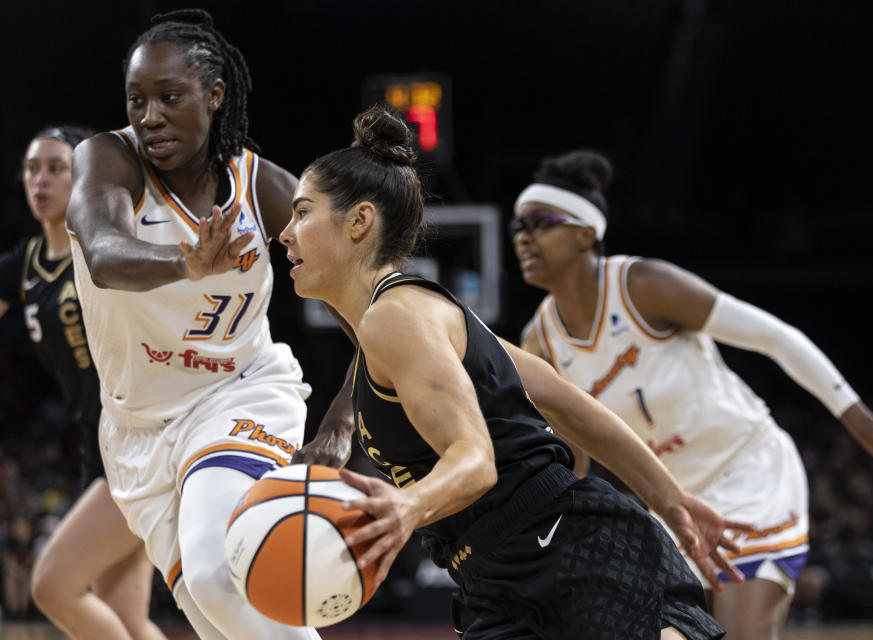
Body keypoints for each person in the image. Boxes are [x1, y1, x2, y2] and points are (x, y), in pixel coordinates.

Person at [280, 105, 763, 640]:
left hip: (569, 546)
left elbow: (476, 460)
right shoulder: (419, 320)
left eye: (302, 212)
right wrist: (670, 499)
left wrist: (406, 504)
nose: (286, 233)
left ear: (359, 221)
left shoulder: (395, 316)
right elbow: (561, 397)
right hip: (491, 578)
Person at [509, 149, 873, 639]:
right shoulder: (541, 341)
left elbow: (775, 337)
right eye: (517, 227)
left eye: (539, 222)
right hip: (674, 501)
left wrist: (862, 422)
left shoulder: (642, 286)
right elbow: (576, 455)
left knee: (742, 634)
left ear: (585, 232)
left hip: (750, 472)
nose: (523, 236)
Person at [66, 10, 350, 640]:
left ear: (215, 96)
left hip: (236, 393)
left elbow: (372, 309)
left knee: (222, 575)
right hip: (135, 430)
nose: (150, 116)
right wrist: (186, 263)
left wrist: (342, 418)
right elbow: (104, 256)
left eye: (171, 97)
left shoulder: (270, 191)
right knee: (215, 609)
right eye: (137, 100)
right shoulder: (108, 160)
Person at [0, 125, 166, 640]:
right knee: (127, 621)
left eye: (56, 167)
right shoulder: (23, 265)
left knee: (52, 586)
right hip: (100, 447)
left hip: (141, 439)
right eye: (32, 168)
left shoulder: (106, 248)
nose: (40, 179)